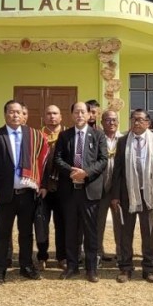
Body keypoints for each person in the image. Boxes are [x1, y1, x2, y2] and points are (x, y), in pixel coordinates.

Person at [0, 100, 47, 285]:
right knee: (2, 233)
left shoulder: (34, 136)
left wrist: (42, 184)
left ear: (23, 114)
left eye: (18, 112)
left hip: (27, 193)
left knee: (26, 233)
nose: (15, 115)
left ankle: (26, 266)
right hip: (4, 194)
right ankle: (0, 270)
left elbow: (42, 161)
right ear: (5, 114)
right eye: (11, 112)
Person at [110, 108, 153, 284]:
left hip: (150, 194)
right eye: (133, 119)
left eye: (140, 119)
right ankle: (126, 268)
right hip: (127, 193)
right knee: (125, 233)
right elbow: (117, 170)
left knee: (149, 232)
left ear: (148, 123)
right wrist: (115, 195)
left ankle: (149, 269)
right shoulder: (122, 142)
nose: (136, 123)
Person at [53, 101, 109, 282]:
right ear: (71, 115)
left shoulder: (98, 135)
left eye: (83, 112)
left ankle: (91, 269)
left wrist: (86, 173)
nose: (79, 115)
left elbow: (103, 160)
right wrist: (72, 171)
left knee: (91, 231)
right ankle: (72, 266)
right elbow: (58, 158)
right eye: (76, 112)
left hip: (90, 190)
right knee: (70, 231)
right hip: (69, 191)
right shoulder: (64, 136)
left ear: (89, 115)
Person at [36, 104, 65, 270]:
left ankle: (62, 257)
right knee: (42, 224)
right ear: (44, 117)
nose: (52, 116)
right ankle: (42, 256)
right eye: (49, 114)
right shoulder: (37, 136)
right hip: (43, 189)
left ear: (61, 117)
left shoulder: (67, 135)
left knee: (62, 225)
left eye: (55, 113)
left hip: (62, 189)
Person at [95, 110, 124, 265]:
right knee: (98, 223)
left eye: (114, 120)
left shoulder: (124, 140)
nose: (111, 123)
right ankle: (98, 254)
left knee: (120, 224)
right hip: (100, 189)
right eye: (107, 120)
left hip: (119, 190)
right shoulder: (97, 139)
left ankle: (121, 254)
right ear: (102, 122)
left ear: (118, 122)